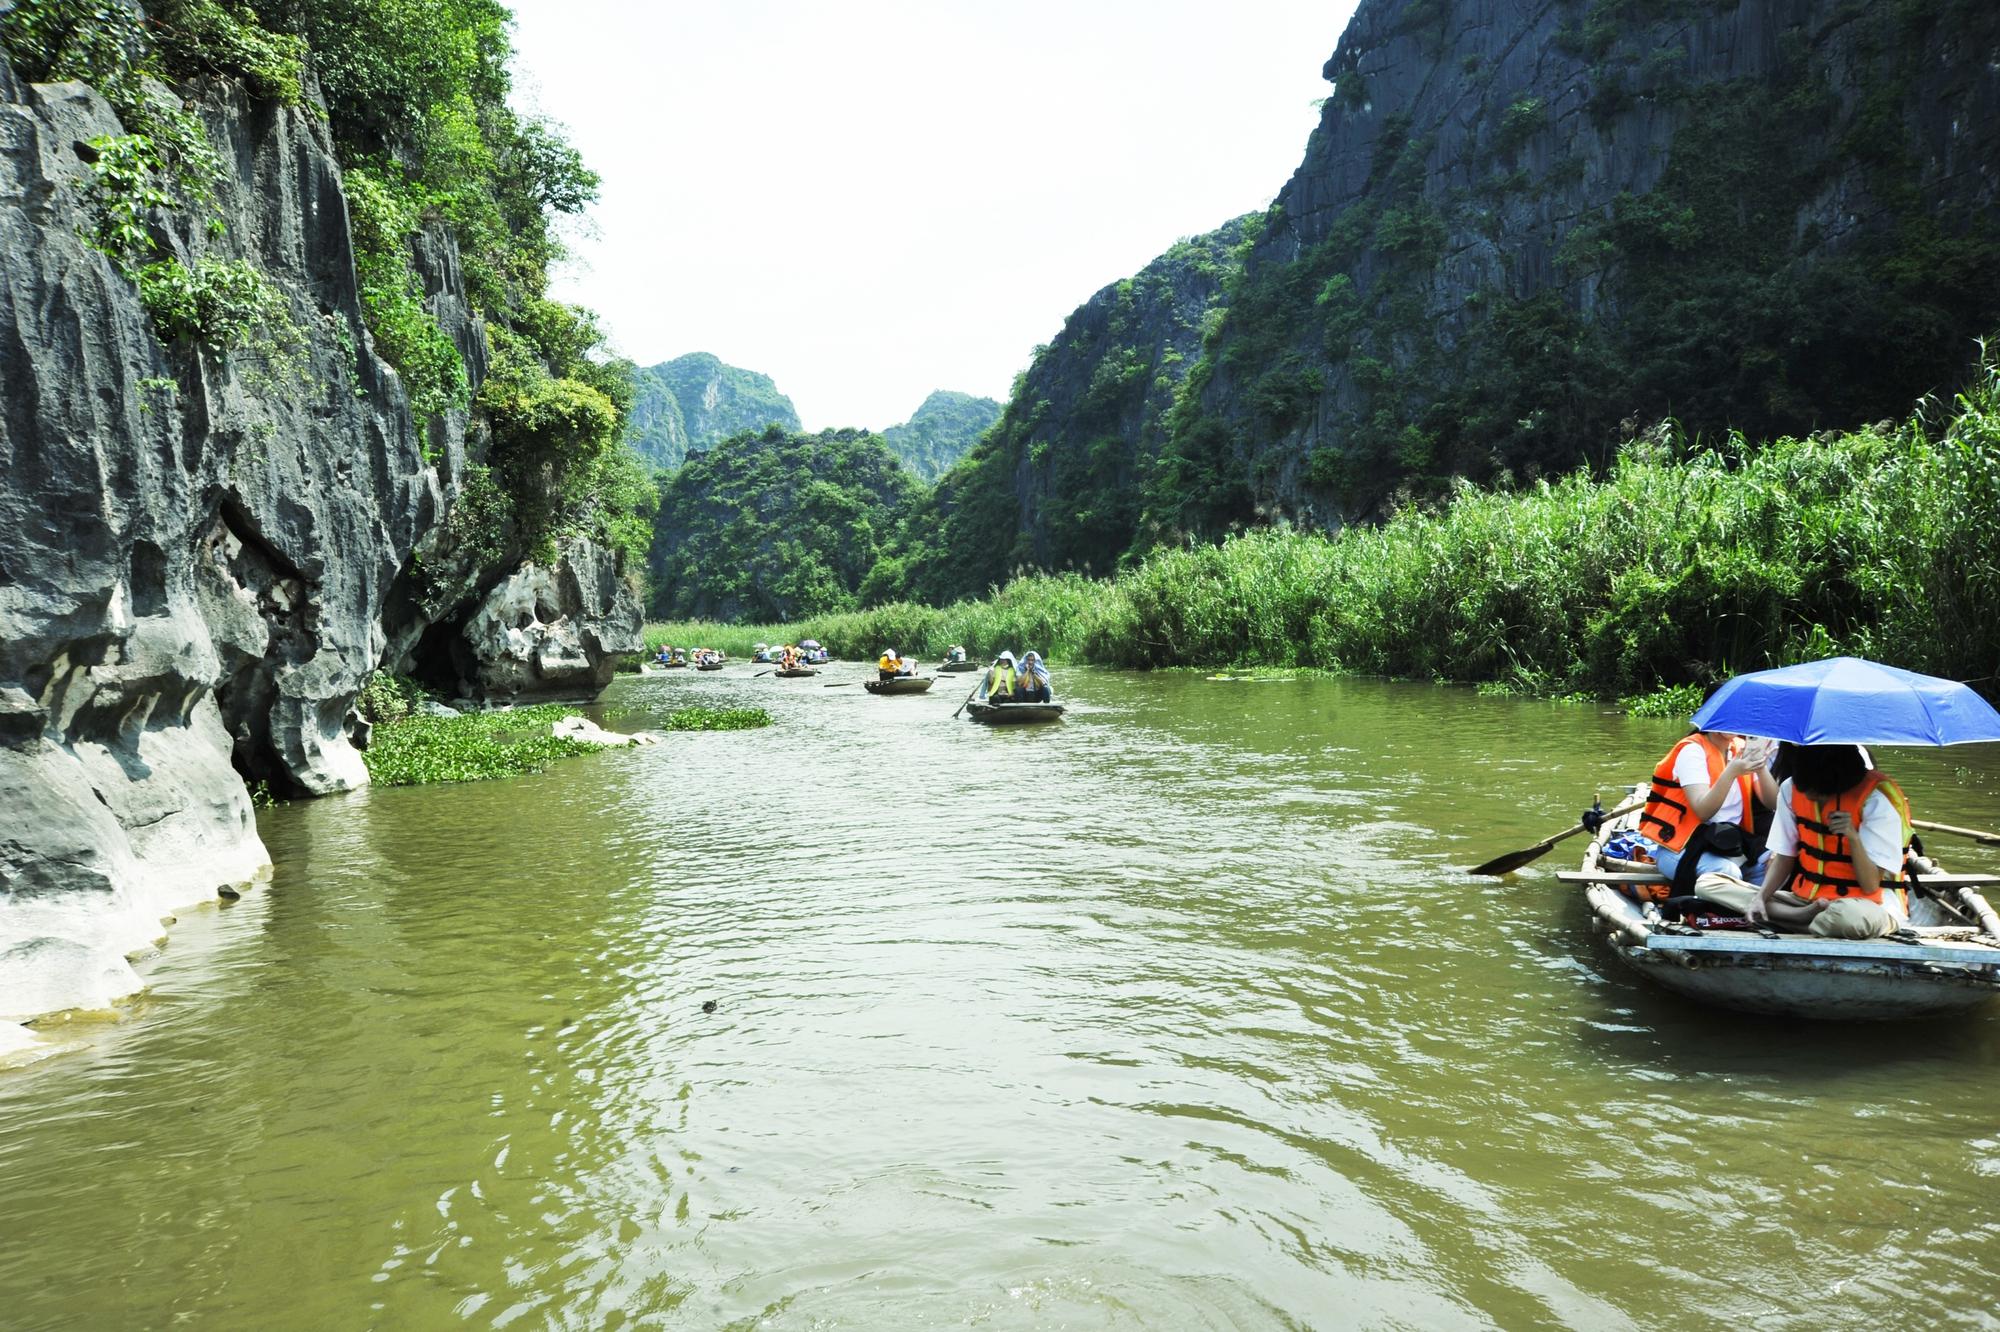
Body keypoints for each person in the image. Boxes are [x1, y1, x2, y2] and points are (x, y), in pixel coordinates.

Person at [1724, 744, 1914, 939]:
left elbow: (1870, 885)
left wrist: (1853, 837)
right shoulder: (1791, 788)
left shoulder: (1877, 799)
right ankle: (1801, 917)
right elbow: (1783, 857)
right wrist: (1761, 897)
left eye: (1815, 790)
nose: (1807, 796)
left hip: (1866, 905)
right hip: (1808, 901)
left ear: (1835, 782)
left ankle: (1791, 921)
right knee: (1710, 884)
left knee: (1847, 918)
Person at [1632, 726, 1778, 901]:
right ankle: (1734, 912)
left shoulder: (1741, 747)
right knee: (1726, 872)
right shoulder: (1692, 751)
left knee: (1774, 863)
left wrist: (1760, 767)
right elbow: (1703, 812)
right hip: (1681, 849)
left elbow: (1773, 802)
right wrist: (1731, 772)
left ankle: (1751, 910)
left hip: (1728, 845)